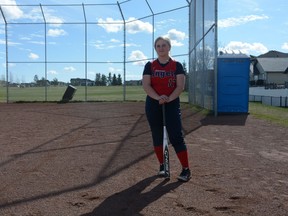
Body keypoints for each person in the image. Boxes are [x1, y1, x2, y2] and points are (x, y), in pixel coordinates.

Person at [142, 36, 191, 182]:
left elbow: (180, 86)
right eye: (158, 46)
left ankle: (186, 169)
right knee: (157, 136)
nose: (161, 48)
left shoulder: (177, 65)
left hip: (172, 103)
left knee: (176, 136)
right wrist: (158, 98)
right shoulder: (150, 65)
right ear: (155, 48)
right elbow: (146, 85)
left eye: (164, 45)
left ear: (169, 47)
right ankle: (163, 166)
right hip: (154, 104)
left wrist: (169, 98)